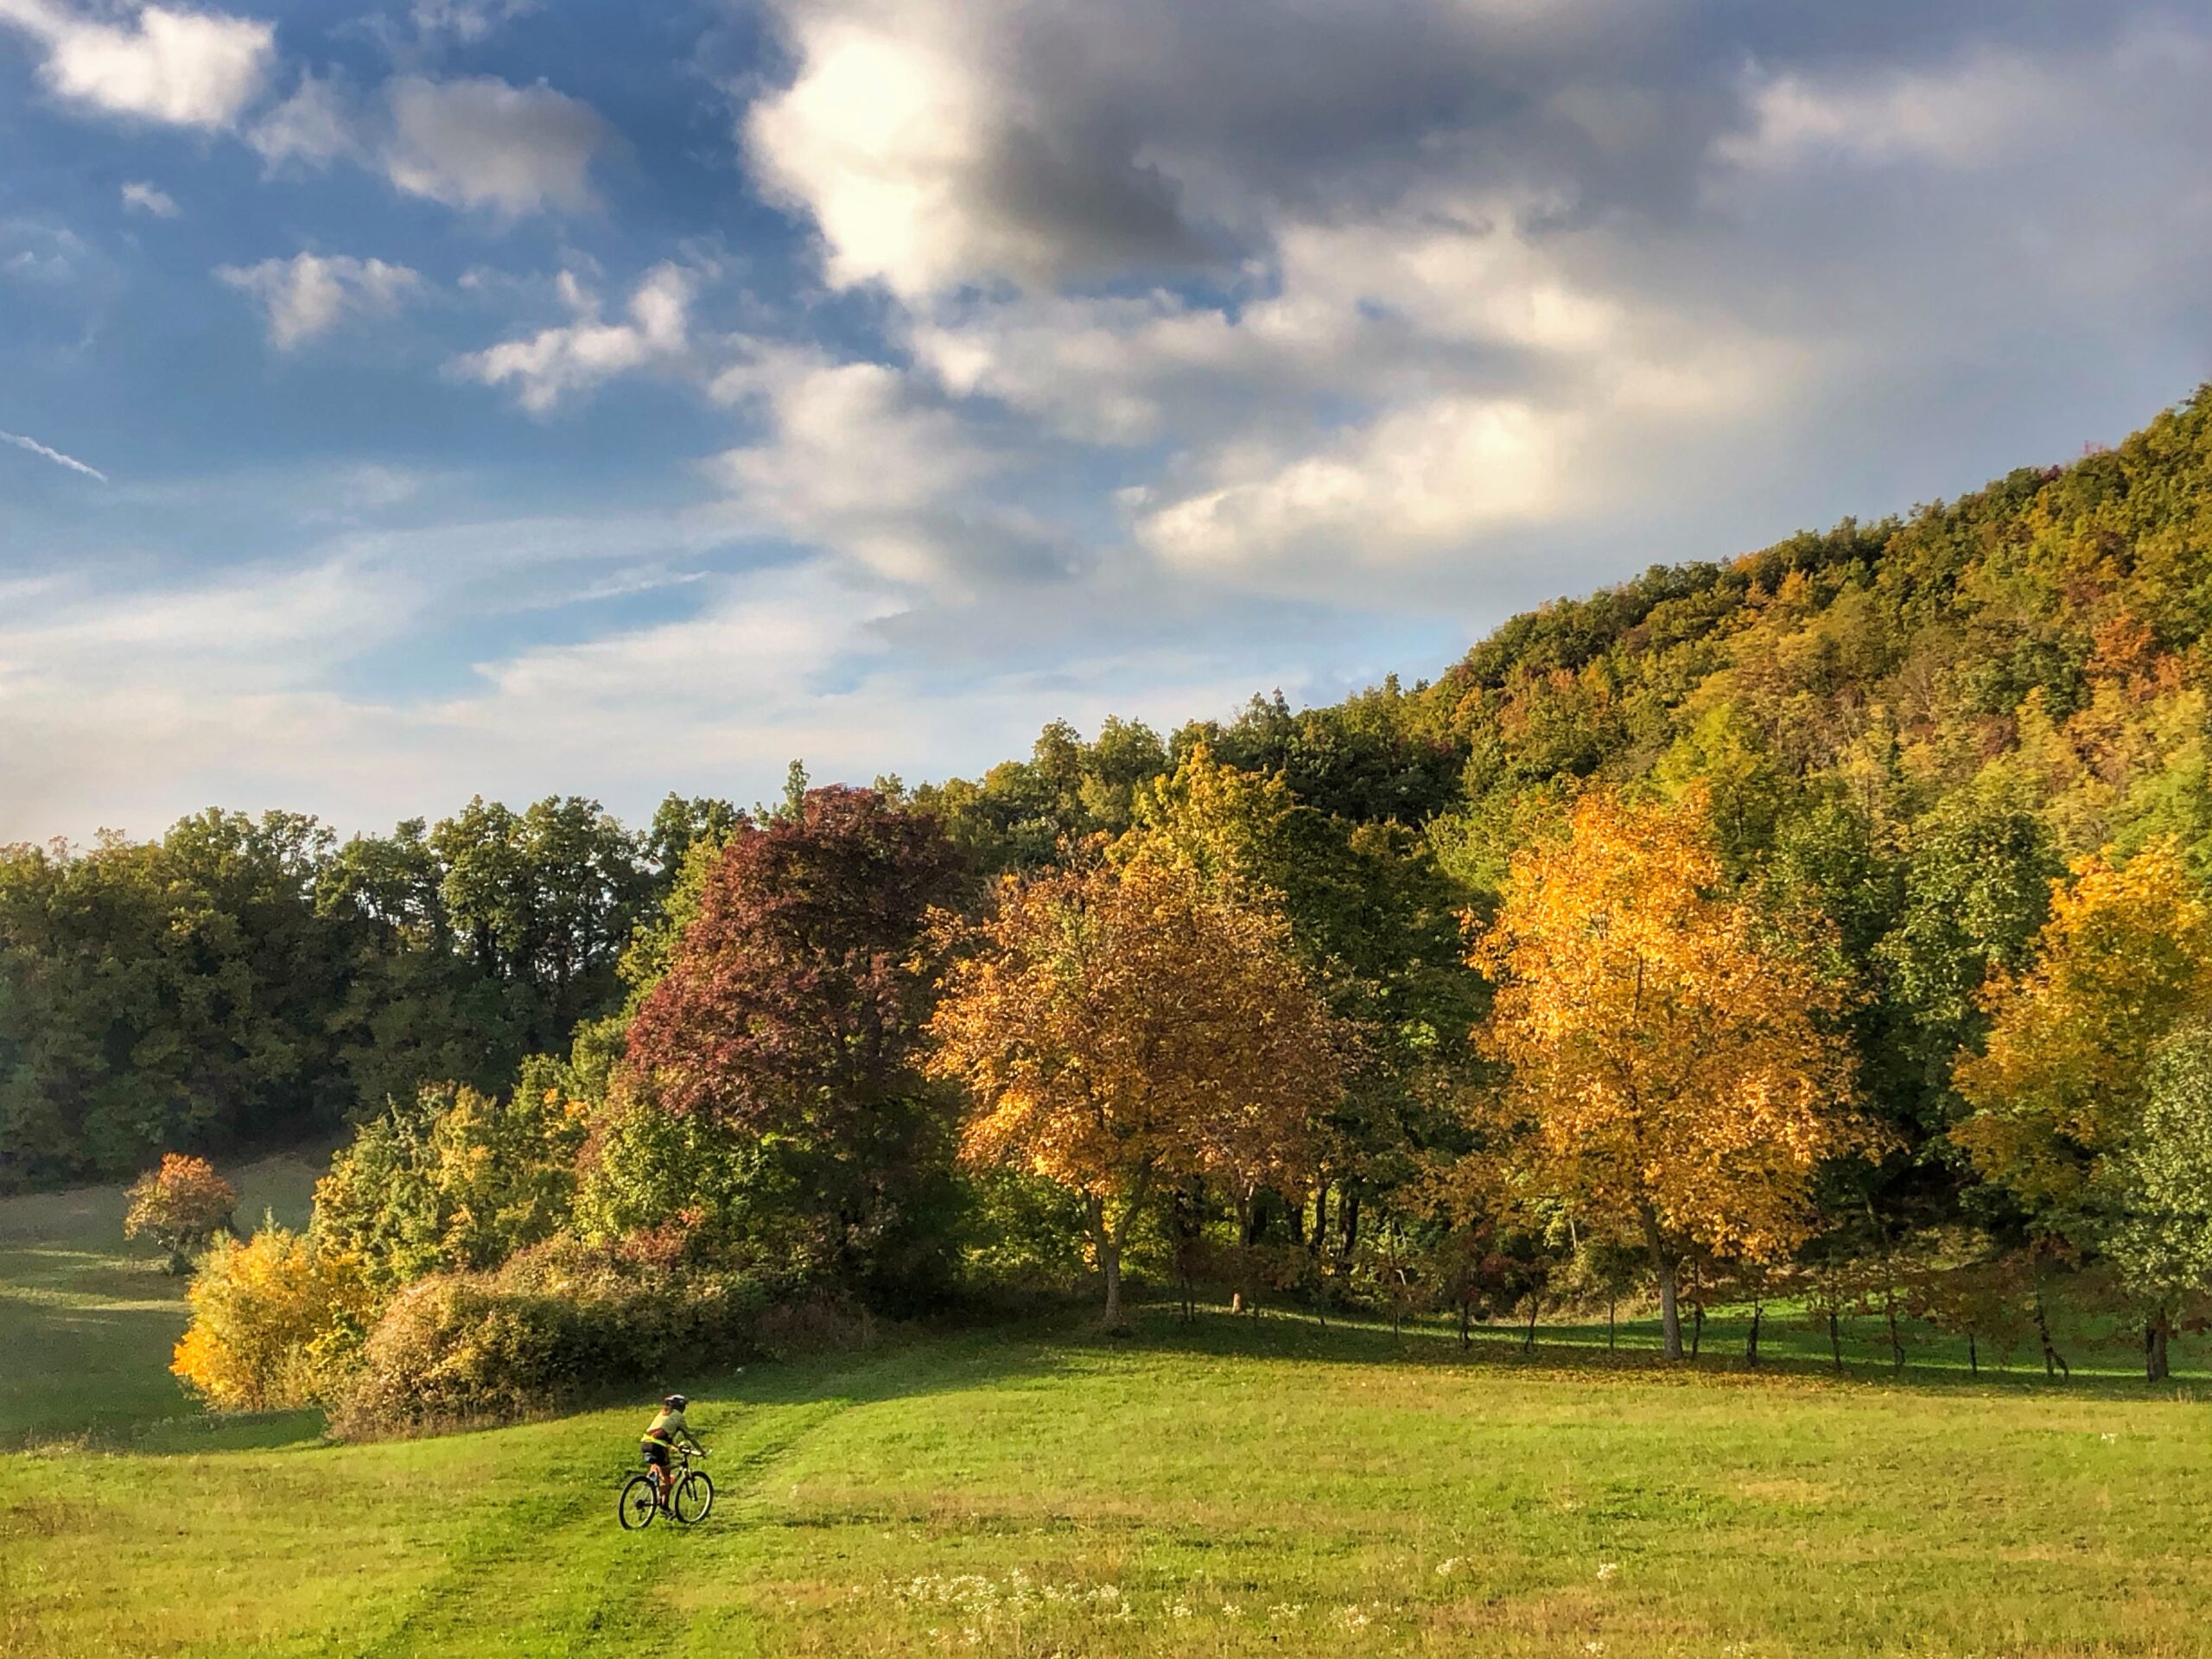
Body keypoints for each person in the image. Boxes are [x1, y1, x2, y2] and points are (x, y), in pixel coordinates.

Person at [639, 1393, 705, 1510]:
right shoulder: (678, 1416)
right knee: (666, 1477)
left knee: (657, 1466)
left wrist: (674, 1446)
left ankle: (651, 1483)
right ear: (680, 1407)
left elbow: (661, 1433)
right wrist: (701, 1451)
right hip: (658, 1447)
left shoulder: (663, 1413)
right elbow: (689, 1436)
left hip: (645, 1443)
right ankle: (665, 1508)